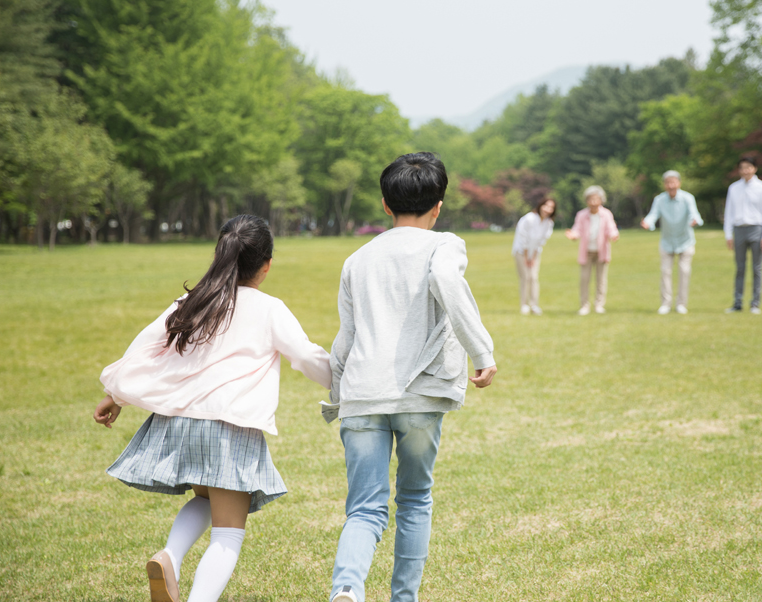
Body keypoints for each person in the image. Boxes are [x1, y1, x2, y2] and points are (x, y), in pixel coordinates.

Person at [92, 214, 332, 602]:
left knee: (205, 498)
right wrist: (344, 382)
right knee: (228, 532)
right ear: (267, 265)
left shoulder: (193, 301)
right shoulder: (269, 308)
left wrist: (114, 393)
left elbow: (145, 344)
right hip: (229, 426)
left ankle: (170, 556)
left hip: (180, 421)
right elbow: (305, 356)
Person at [326, 152, 496, 602]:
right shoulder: (444, 245)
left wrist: (336, 393)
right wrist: (482, 351)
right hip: (419, 395)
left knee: (364, 509)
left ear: (385, 204)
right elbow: (447, 281)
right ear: (439, 206)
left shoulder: (358, 258)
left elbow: (346, 338)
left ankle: (347, 588)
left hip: (362, 395)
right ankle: (404, 598)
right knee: (415, 499)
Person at [641, 170, 704, 315]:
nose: (671, 185)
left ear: (679, 183)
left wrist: (695, 220)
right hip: (667, 242)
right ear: (664, 185)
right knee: (665, 273)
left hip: (686, 241)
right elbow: (653, 215)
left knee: (684, 272)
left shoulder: (687, 198)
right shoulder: (659, 200)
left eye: (673, 182)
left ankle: (681, 304)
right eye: (668, 183)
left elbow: (694, 213)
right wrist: (648, 223)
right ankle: (666, 304)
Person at [723, 156, 762, 314]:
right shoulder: (733, 188)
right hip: (739, 229)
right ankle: (737, 302)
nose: (745, 170)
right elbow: (729, 212)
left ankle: (755, 303)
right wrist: (728, 234)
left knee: (757, 268)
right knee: (740, 268)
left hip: (756, 229)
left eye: (748, 167)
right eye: (742, 168)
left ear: (754, 168)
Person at [565, 185, 619, 315]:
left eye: (596, 199)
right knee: (584, 279)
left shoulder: (606, 214)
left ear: (601, 200)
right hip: (587, 252)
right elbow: (577, 229)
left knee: (601, 280)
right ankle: (584, 306)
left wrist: (614, 235)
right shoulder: (582, 215)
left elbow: (611, 228)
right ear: (587, 201)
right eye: (590, 199)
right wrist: (573, 235)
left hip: (601, 251)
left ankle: (599, 305)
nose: (593, 202)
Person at [512, 197, 557, 315]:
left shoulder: (548, 223)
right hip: (521, 252)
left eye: (551, 208)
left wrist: (533, 257)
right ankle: (524, 305)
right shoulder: (529, 218)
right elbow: (523, 238)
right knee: (525, 277)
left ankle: (534, 305)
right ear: (540, 206)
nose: (548, 209)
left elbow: (541, 241)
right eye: (546, 206)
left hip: (535, 253)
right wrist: (527, 257)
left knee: (534, 277)